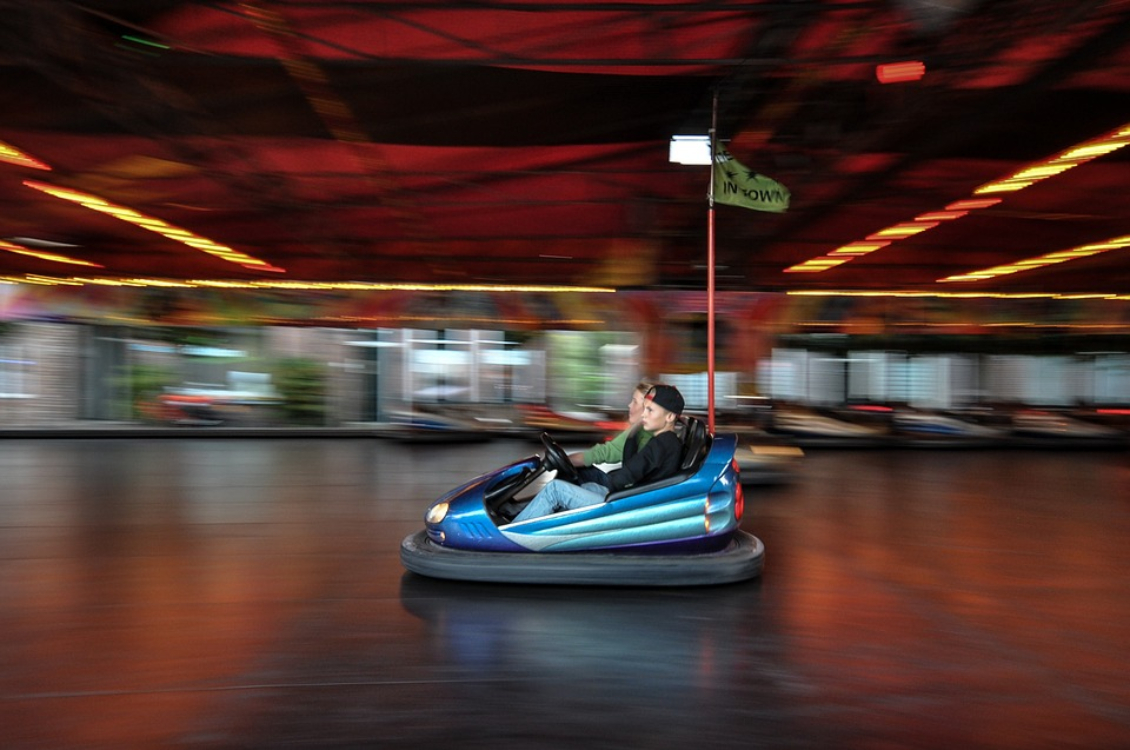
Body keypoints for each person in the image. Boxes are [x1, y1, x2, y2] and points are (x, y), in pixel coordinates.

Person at [510, 384, 686, 523]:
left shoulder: (663, 443)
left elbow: (629, 473)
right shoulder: (665, 441)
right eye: (644, 408)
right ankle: (540, 525)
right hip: (630, 497)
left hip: (626, 504)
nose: (644, 414)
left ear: (670, 417)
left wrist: (613, 488)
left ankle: (509, 534)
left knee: (555, 490)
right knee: (585, 487)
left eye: (650, 410)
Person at [571, 380, 654, 486]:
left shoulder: (639, 433)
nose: (629, 405)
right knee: (581, 471)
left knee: (557, 487)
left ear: (646, 408)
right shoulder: (649, 432)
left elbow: (603, 453)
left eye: (635, 402)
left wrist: (568, 460)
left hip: (624, 492)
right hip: (626, 485)